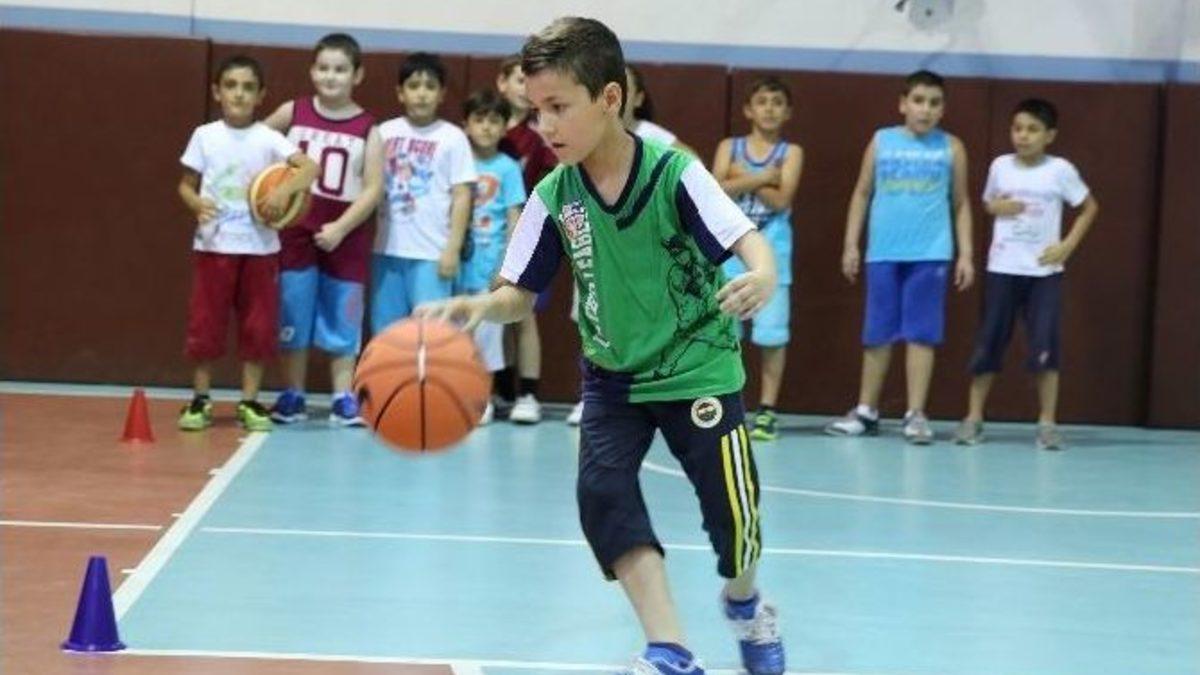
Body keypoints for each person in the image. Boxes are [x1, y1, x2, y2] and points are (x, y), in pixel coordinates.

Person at [418, 18, 785, 675]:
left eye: (559, 107)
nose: (545, 126)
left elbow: (743, 238)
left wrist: (762, 274)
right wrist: (481, 305)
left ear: (610, 98)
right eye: (537, 111)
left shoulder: (675, 173)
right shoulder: (554, 195)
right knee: (602, 497)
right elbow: (519, 292)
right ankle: (671, 648)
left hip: (698, 369)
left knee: (735, 520)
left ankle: (745, 602)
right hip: (614, 377)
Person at [826, 69, 975, 444]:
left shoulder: (952, 148)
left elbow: (960, 203)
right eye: (918, 101)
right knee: (877, 333)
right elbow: (862, 193)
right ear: (903, 104)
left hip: (931, 253)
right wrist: (851, 244)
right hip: (883, 252)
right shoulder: (882, 141)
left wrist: (966, 254)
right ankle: (866, 411)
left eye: (934, 103)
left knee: (921, 334)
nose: (926, 109)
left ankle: (915, 414)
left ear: (943, 109)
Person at [176, 55, 318, 432]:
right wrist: (195, 203)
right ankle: (200, 399)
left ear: (261, 96)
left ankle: (250, 401)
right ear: (216, 92)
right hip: (214, 246)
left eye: (248, 87)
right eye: (231, 86)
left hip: (260, 249)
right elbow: (185, 186)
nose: (239, 94)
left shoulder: (269, 138)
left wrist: (283, 191)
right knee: (205, 324)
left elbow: (310, 168)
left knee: (258, 327)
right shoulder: (205, 135)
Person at [953, 98, 1099, 450]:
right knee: (990, 341)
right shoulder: (1000, 166)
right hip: (1003, 269)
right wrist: (996, 207)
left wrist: (1067, 246)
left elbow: (1089, 207)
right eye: (1017, 128)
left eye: (1033, 130)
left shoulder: (1060, 170)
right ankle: (973, 417)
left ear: (1050, 135)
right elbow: (988, 203)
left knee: (1045, 345)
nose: (1023, 136)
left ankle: (1047, 423)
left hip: (1044, 273)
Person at [563, 64, 702, 427]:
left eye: (625, 87)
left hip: (644, 255)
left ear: (636, 97)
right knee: (593, 321)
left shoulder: (657, 139)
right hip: (596, 247)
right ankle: (589, 395)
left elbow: (695, 171)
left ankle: (657, 393)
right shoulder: (584, 138)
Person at [263, 33, 384, 426]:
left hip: (345, 235)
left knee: (343, 315)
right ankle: (293, 394)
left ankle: (342, 397)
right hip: (295, 230)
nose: (331, 76)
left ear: (357, 75)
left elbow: (373, 188)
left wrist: (342, 227)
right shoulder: (292, 112)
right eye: (324, 68)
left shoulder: (368, 128)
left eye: (340, 69)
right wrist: (270, 191)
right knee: (293, 312)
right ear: (312, 71)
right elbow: (256, 143)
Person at [712, 76, 803, 441]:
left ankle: (767, 409)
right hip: (729, 255)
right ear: (748, 110)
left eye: (777, 103)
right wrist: (765, 177)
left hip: (773, 256)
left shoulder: (791, 152)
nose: (769, 109)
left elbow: (782, 201)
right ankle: (728, 402)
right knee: (725, 335)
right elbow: (714, 190)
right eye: (762, 102)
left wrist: (740, 176)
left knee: (772, 336)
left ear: (788, 112)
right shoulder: (729, 146)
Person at [371, 52, 477, 335]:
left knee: (432, 335)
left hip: (432, 254)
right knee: (387, 334)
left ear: (441, 94)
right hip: (387, 250)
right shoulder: (384, 132)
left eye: (430, 87)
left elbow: (462, 196)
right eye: (414, 86)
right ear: (400, 92)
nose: (421, 94)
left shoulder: (453, 137)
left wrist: (452, 249)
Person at [458, 89, 527, 424]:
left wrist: (506, 266)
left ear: (504, 127)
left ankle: (481, 398)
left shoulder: (508, 168)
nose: (486, 127)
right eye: (479, 119)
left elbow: (515, 218)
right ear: (466, 124)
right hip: (457, 268)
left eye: (494, 120)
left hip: (489, 269)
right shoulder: (458, 161)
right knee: (456, 336)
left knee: (486, 339)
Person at [495, 54, 557, 424]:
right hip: (487, 237)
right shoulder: (486, 126)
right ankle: (501, 388)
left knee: (524, 312)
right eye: (518, 80)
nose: (524, 88)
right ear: (501, 83)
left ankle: (529, 392)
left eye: (530, 81)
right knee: (495, 313)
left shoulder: (541, 132)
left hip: (530, 233)